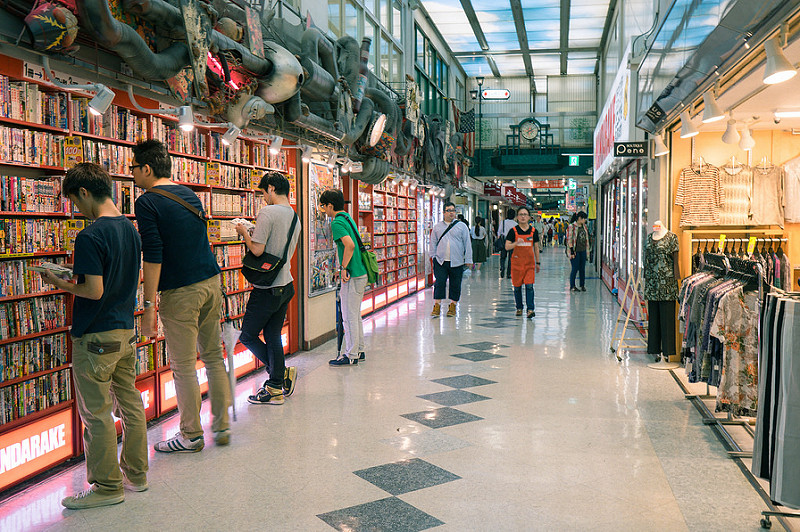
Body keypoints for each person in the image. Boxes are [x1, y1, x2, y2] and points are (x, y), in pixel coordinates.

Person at [42, 163, 148, 509]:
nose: (76, 209)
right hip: (125, 332)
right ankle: (137, 473)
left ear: (84, 193)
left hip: (96, 338)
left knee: (97, 413)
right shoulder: (131, 229)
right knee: (130, 403)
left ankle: (107, 486)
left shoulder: (89, 235)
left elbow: (94, 290)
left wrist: (58, 282)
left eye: (75, 201)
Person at [132, 139, 231, 452]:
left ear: (147, 168)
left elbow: (154, 255)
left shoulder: (146, 202)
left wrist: (148, 308)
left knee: (184, 365)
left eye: (133, 168)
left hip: (181, 291)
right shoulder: (189, 194)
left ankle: (190, 434)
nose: (132, 173)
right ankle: (222, 425)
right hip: (211, 281)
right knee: (213, 355)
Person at [236, 172, 301, 404]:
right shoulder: (294, 216)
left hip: (267, 287)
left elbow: (257, 250)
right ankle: (275, 385)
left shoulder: (267, 212)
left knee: (247, 336)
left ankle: (279, 375)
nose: (263, 198)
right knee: (273, 334)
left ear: (271, 188)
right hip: (286, 284)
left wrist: (244, 232)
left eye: (263, 193)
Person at [320, 189, 367, 366]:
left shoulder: (337, 222)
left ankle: (351, 354)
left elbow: (349, 245)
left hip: (352, 274)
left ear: (330, 205)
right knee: (355, 314)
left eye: (323, 206)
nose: (323, 210)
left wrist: (343, 268)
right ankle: (359, 349)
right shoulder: (348, 217)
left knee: (348, 316)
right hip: (360, 272)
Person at [429, 201, 473, 317]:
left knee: (455, 284)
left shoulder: (461, 226)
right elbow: (433, 242)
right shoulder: (437, 227)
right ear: (443, 213)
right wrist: (433, 256)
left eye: (453, 210)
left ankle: (453, 306)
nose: (451, 213)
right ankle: (437, 306)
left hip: (457, 261)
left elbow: (467, 243)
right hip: (440, 261)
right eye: (448, 211)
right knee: (440, 282)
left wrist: (468, 259)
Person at [505, 206, 540, 319]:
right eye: (521, 214)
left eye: (525, 214)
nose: (523, 216)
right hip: (516, 264)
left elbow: (536, 248)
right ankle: (519, 307)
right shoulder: (513, 231)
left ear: (529, 217)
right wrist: (515, 243)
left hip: (529, 264)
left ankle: (530, 309)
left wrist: (538, 262)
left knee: (529, 286)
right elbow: (506, 247)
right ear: (517, 217)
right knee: (517, 287)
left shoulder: (534, 231)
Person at [567, 210, 590, 292]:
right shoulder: (572, 226)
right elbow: (569, 239)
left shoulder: (584, 227)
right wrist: (572, 251)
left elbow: (586, 239)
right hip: (575, 251)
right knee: (575, 268)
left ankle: (582, 285)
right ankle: (572, 286)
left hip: (583, 251)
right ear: (580, 218)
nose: (585, 221)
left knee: (582, 269)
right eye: (584, 219)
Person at [497, 209, 516, 278]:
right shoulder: (515, 224)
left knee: (503, 257)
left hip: (504, 240)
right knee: (511, 258)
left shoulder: (503, 222)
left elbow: (499, 232)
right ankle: (509, 273)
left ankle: (502, 269)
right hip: (512, 242)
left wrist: (499, 238)